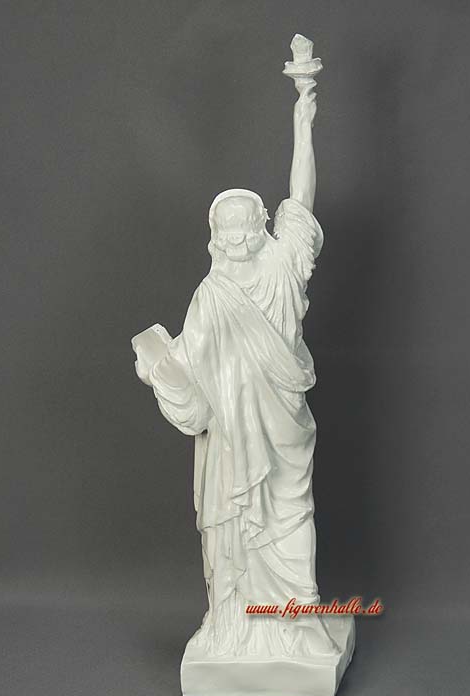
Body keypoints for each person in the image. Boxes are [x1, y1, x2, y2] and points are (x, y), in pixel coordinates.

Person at [136, 78, 337, 657]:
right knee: (250, 523)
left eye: (241, 228)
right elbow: (189, 371)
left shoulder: (281, 265)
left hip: (279, 425)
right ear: (217, 237)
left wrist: (303, 119)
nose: (234, 239)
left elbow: (301, 200)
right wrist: (161, 369)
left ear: (258, 226)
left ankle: (299, 620)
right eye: (225, 231)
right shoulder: (213, 295)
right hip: (233, 435)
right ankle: (236, 623)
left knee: (290, 514)